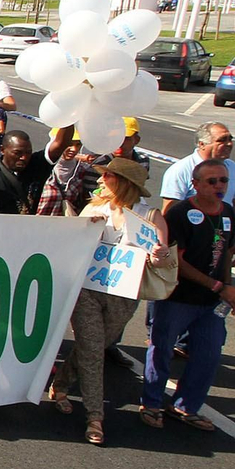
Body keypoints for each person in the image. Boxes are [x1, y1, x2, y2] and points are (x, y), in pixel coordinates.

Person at [47, 159, 170, 445]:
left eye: (108, 176)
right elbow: (74, 242)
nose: (101, 181)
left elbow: (161, 257)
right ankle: (95, 416)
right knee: (93, 351)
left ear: (124, 182)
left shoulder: (149, 216)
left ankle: (61, 383)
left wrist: (158, 256)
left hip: (124, 295)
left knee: (96, 345)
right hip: (87, 290)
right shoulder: (94, 208)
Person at [142, 158, 235, 432]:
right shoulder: (181, 214)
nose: (219, 186)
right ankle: (151, 403)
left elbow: (225, 254)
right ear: (195, 184)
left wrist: (226, 287)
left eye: (223, 181)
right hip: (178, 298)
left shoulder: (228, 212)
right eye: (212, 181)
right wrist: (219, 287)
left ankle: (185, 406)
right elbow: (178, 263)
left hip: (211, 302)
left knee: (208, 355)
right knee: (161, 351)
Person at [0, 128, 73, 216]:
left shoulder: (37, 165)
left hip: (23, 234)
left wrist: (69, 115)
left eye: (28, 152)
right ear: (2, 150)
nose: (24, 157)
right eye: (17, 153)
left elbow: (61, 144)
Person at [160, 123, 235, 210]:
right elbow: (169, 212)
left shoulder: (233, 167)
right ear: (202, 144)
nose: (229, 144)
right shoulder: (180, 170)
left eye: (230, 139)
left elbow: (233, 202)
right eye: (222, 140)